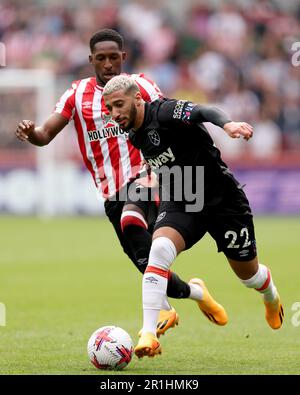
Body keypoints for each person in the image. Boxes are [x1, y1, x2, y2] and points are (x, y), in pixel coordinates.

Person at [15, 29, 224, 337]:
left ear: (123, 57)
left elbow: (167, 116)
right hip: (110, 191)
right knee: (146, 263)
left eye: (114, 57)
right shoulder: (76, 94)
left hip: (149, 177)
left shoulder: (141, 85)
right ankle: (195, 293)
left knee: (134, 222)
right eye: (101, 58)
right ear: (91, 60)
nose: (108, 64)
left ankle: (150, 327)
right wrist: (31, 131)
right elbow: (45, 135)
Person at [103, 75, 284, 359]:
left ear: (137, 99)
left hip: (222, 199)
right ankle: (148, 333)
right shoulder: (134, 135)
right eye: (110, 108)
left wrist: (228, 124)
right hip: (184, 196)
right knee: (159, 250)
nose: (115, 114)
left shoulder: (163, 111)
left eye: (119, 105)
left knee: (249, 277)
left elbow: (203, 111)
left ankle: (270, 294)